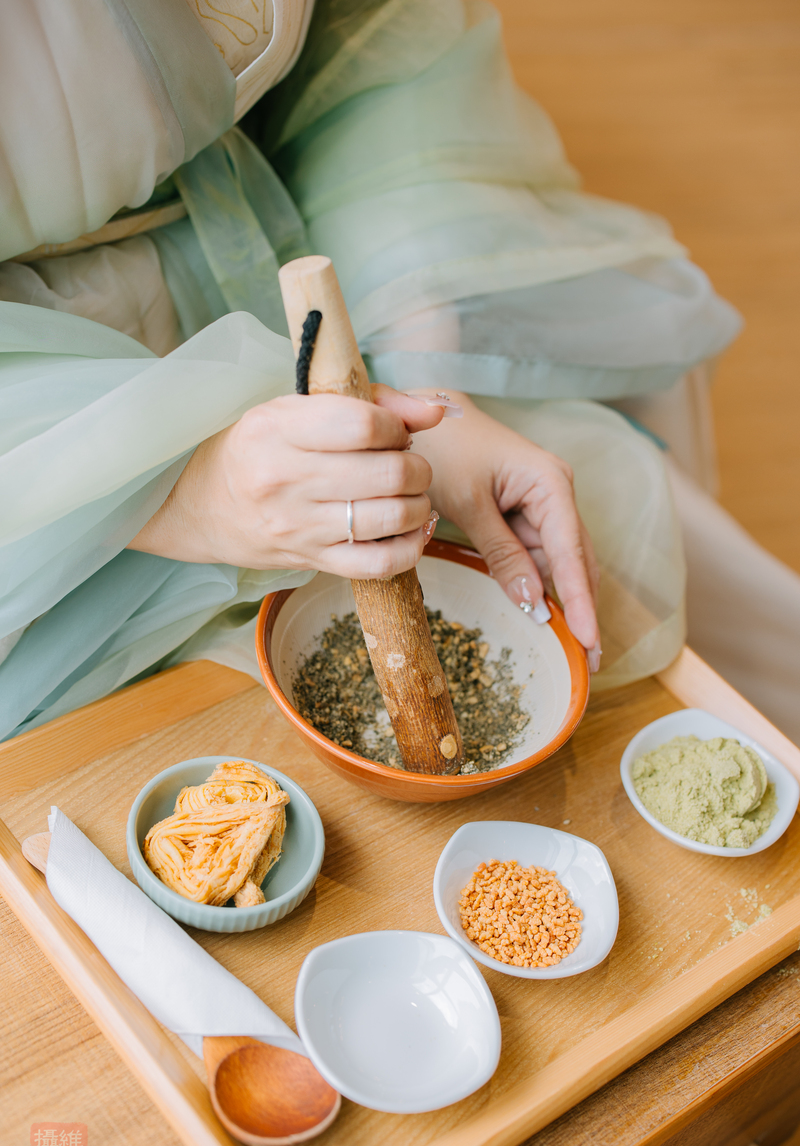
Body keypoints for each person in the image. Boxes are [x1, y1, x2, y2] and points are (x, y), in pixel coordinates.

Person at [1, 0, 796, 744]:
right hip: (47, 450)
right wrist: (183, 493)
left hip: (307, 258)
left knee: (628, 560)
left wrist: (419, 383)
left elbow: (381, 38)